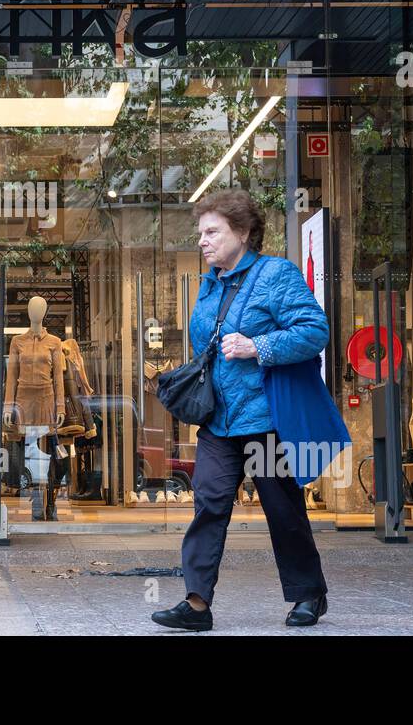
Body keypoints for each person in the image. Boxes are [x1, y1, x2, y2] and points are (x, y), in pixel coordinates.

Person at [151, 188, 331, 631]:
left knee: (283, 510)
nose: (203, 240)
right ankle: (196, 604)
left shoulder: (276, 275)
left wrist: (258, 346)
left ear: (244, 232)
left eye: (212, 231)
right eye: (201, 232)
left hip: (266, 420)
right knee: (208, 504)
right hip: (219, 421)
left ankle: (309, 595)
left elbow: (315, 330)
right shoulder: (209, 284)